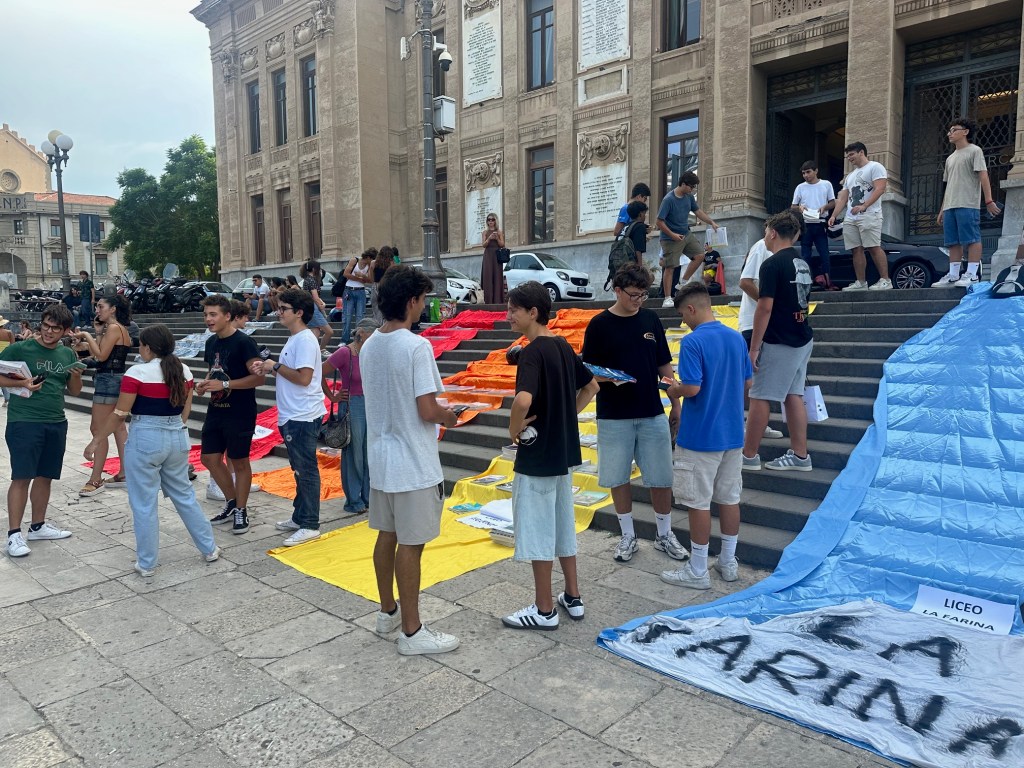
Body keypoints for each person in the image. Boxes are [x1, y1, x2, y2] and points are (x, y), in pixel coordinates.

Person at [360, 265, 460, 655]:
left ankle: (388, 611)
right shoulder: (416, 346)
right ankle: (413, 631)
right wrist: (450, 416)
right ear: (412, 301)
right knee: (412, 544)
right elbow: (426, 408)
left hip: (381, 455)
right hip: (412, 460)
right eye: (422, 300)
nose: (423, 307)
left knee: (387, 535)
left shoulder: (370, 344)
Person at [84, 324, 220, 576]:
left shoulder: (137, 372)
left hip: (146, 437)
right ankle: (209, 548)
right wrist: (175, 428)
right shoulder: (185, 370)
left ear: (147, 347)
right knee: (185, 496)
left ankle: (147, 563)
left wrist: (96, 440)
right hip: (177, 436)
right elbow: (185, 412)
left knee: (144, 503)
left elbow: (120, 413)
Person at [501, 282, 599, 630]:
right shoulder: (561, 346)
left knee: (537, 529)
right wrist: (566, 417)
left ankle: (544, 609)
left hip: (537, 454)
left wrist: (514, 430)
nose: (508, 315)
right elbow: (591, 386)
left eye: (514, 309)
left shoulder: (531, 352)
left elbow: (523, 401)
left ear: (533, 312)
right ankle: (572, 595)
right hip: (561, 452)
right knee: (561, 523)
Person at [580, 263, 688, 564]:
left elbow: (663, 364)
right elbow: (587, 370)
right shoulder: (599, 324)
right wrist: (609, 377)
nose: (638, 300)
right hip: (614, 414)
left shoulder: (651, 319)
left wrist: (674, 397)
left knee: (661, 477)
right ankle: (627, 535)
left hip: (651, 410)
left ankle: (665, 534)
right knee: (618, 477)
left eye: (643, 295)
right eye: (633, 295)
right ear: (617, 290)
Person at [661, 282, 751, 589]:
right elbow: (748, 383)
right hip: (732, 433)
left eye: (682, 315)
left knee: (698, 502)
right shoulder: (736, 338)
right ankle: (728, 561)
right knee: (729, 499)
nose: (683, 322)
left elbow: (693, 387)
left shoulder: (692, 342)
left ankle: (697, 569)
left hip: (700, 435)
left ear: (691, 308)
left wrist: (672, 389)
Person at [1, 305, 82, 558]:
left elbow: (75, 391)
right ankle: (14, 535)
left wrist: (77, 373)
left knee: (45, 476)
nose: (48, 331)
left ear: (65, 331)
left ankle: (38, 526)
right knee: (22, 476)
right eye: (46, 325)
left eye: (55, 328)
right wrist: (22, 382)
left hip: (56, 421)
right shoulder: (21, 348)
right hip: (24, 421)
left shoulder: (67, 354)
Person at [251, 289, 327, 545]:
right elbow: (291, 374)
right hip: (292, 413)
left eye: (283, 308)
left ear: (299, 312)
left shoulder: (305, 339)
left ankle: (310, 523)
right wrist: (268, 367)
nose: (279, 312)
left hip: (302, 415)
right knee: (298, 469)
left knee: (306, 470)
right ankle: (300, 516)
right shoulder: (296, 338)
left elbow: (304, 378)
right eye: (279, 308)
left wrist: (275, 366)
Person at [741, 210, 814, 472]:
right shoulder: (802, 262)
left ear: (772, 232)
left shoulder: (772, 264)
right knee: (793, 395)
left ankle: (748, 456)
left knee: (760, 396)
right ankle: (800, 455)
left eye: (765, 233)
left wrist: (754, 347)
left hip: (781, 338)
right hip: (802, 335)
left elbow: (765, 307)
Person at [196, 295, 265, 534]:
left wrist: (225, 386)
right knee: (209, 458)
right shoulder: (211, 343)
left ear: (227, 316)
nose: (208, 319)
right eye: (206, 314)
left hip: (240, 411)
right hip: (216, 409)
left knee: (239, 461)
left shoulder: (244, 342)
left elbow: (259, 377)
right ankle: (232, 502)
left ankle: (241, 511)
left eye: (213, 314)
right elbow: (213, 372)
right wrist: (204, 384)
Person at [933, 117, 1003, 288]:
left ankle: (972, 274)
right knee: (952, 242)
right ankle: (953, 275)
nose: (949, 133)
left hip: (967, 203)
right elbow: (947, 185)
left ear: (965, 132)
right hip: (950, 205)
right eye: (949, 131)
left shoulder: (974, 151)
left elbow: (983, 175)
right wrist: (942, 209)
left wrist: (988, 200)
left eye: (953, 130)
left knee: (971, 238)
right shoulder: (950, 158)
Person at [75, 295, 132, 496]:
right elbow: (103, 353)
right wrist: (98, 333)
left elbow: (100, 356)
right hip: (114, 378)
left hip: (108, 380)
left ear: (113, 309)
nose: (97, 310)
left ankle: (96, 479)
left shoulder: (115, 328)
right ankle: (124, 473)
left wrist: (86, 335)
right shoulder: (118, 329)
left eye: (100, 306)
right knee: (117, 428)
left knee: (98, 429)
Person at [323, 316, 378, 514]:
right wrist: (333, 396)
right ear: (361, 333)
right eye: (372, 334)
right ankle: (354, 499)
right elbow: (319, 372)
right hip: (352, 405)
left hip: (369, 404)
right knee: (354, 453)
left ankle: (367, 496)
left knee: (368, 451)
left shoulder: (370, 352)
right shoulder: (345, 352)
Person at [738, 233, 784, 442]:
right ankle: (742, 422)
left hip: (767, 322)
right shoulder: (760, 247)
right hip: (752, 322)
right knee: (749, 377)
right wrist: (767, 302)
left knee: (761, 378)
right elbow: (745, 282)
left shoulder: (778, 253)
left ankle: (757, 423)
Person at [829, 142, 891, 291]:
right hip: (851, 217)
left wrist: (865, 205)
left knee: (873, 246)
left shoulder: (875, 167)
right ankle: (861, 283)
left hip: (870, 214)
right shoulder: (850, 176)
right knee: (855, 249)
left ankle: (885, 280)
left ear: (861, 152)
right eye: (847, 155)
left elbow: (880, 188)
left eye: (851, 154)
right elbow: (843, 198)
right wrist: (834, 215)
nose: (849, 158)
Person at [656, 172, 719, 306]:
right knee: (670, 266)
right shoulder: (668, 200)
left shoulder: (689, 197)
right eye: (691, 186)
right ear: (683, 184)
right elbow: (659, 222)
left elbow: (698, 212)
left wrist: (711, 222)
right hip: (670, 238)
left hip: (685, 233)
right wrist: (672, 235)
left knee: (700, 255)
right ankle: (667, 298)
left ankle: (682, 283)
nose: (692, 189)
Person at [791, 161, 837, 286]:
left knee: (824, 253)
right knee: (806, 254)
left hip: (820, 222)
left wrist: (825, 207)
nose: (806, 175)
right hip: (805, 224)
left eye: (808, 172)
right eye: (803, 173)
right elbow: (793, 206)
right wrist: (800, 208)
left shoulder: (826, 184)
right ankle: (807, 281)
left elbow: (833, 202)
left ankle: (828, 281)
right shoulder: (800, 187)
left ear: (816, 171)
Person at [341, 249, 374, 343]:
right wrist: (359, 279)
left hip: (361, 291)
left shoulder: (369, 265)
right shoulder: (354, 260)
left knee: (360, 316)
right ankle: (344, 339)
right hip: (349, 290)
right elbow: (346, 274)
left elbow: (370, 280)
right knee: (347, 316)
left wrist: (362, 276)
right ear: (368, 257)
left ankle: (357, 339)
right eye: (371, 259)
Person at [300, 259, 334, 350]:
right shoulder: (312, 280)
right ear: (315, 269)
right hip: (313, 307)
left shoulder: (307, 279)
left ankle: (311, 351)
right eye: (319, 269)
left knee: (316, 332)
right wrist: (322, 305)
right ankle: (321, 349)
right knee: (329, 332)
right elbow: (315, 297)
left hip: (308, 306)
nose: (320, 271)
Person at [480, 213, 506, 305]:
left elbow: (502, 244)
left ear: (496, 221)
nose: (490, 221)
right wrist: (489, 238)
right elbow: (483, 245)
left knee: (497, 276)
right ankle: (488, 300)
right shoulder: (485, 232)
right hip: (488, 256)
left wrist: (497, 239)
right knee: (488, 276)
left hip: (497, 255)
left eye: (492, 219)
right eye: (489, 220)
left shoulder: (499, 231)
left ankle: (497, 300)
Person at [369, 246, 396, 325]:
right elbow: (392, 277)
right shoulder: (391, 263)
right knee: (386, 309)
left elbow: (371, 279)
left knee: (376, 310)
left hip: (375, 287)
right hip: (386, 287)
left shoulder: (373, 262)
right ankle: (385, 327)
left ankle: (377, 327)